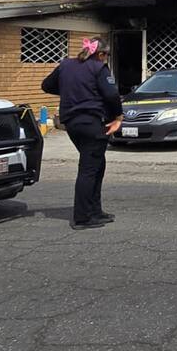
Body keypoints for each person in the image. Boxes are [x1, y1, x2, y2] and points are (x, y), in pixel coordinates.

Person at [41, 37, 123, 230]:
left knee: (97, 164)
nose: (107, 59)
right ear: (101, 54)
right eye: (106, 55)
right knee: (89, 168)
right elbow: (111, 94)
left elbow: (46, 85)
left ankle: (95, 210)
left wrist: (70, 90)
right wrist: (118, 117)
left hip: (71, 123)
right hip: (92, 122)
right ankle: (83, 217)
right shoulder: (98, 67)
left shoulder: (66, 65)